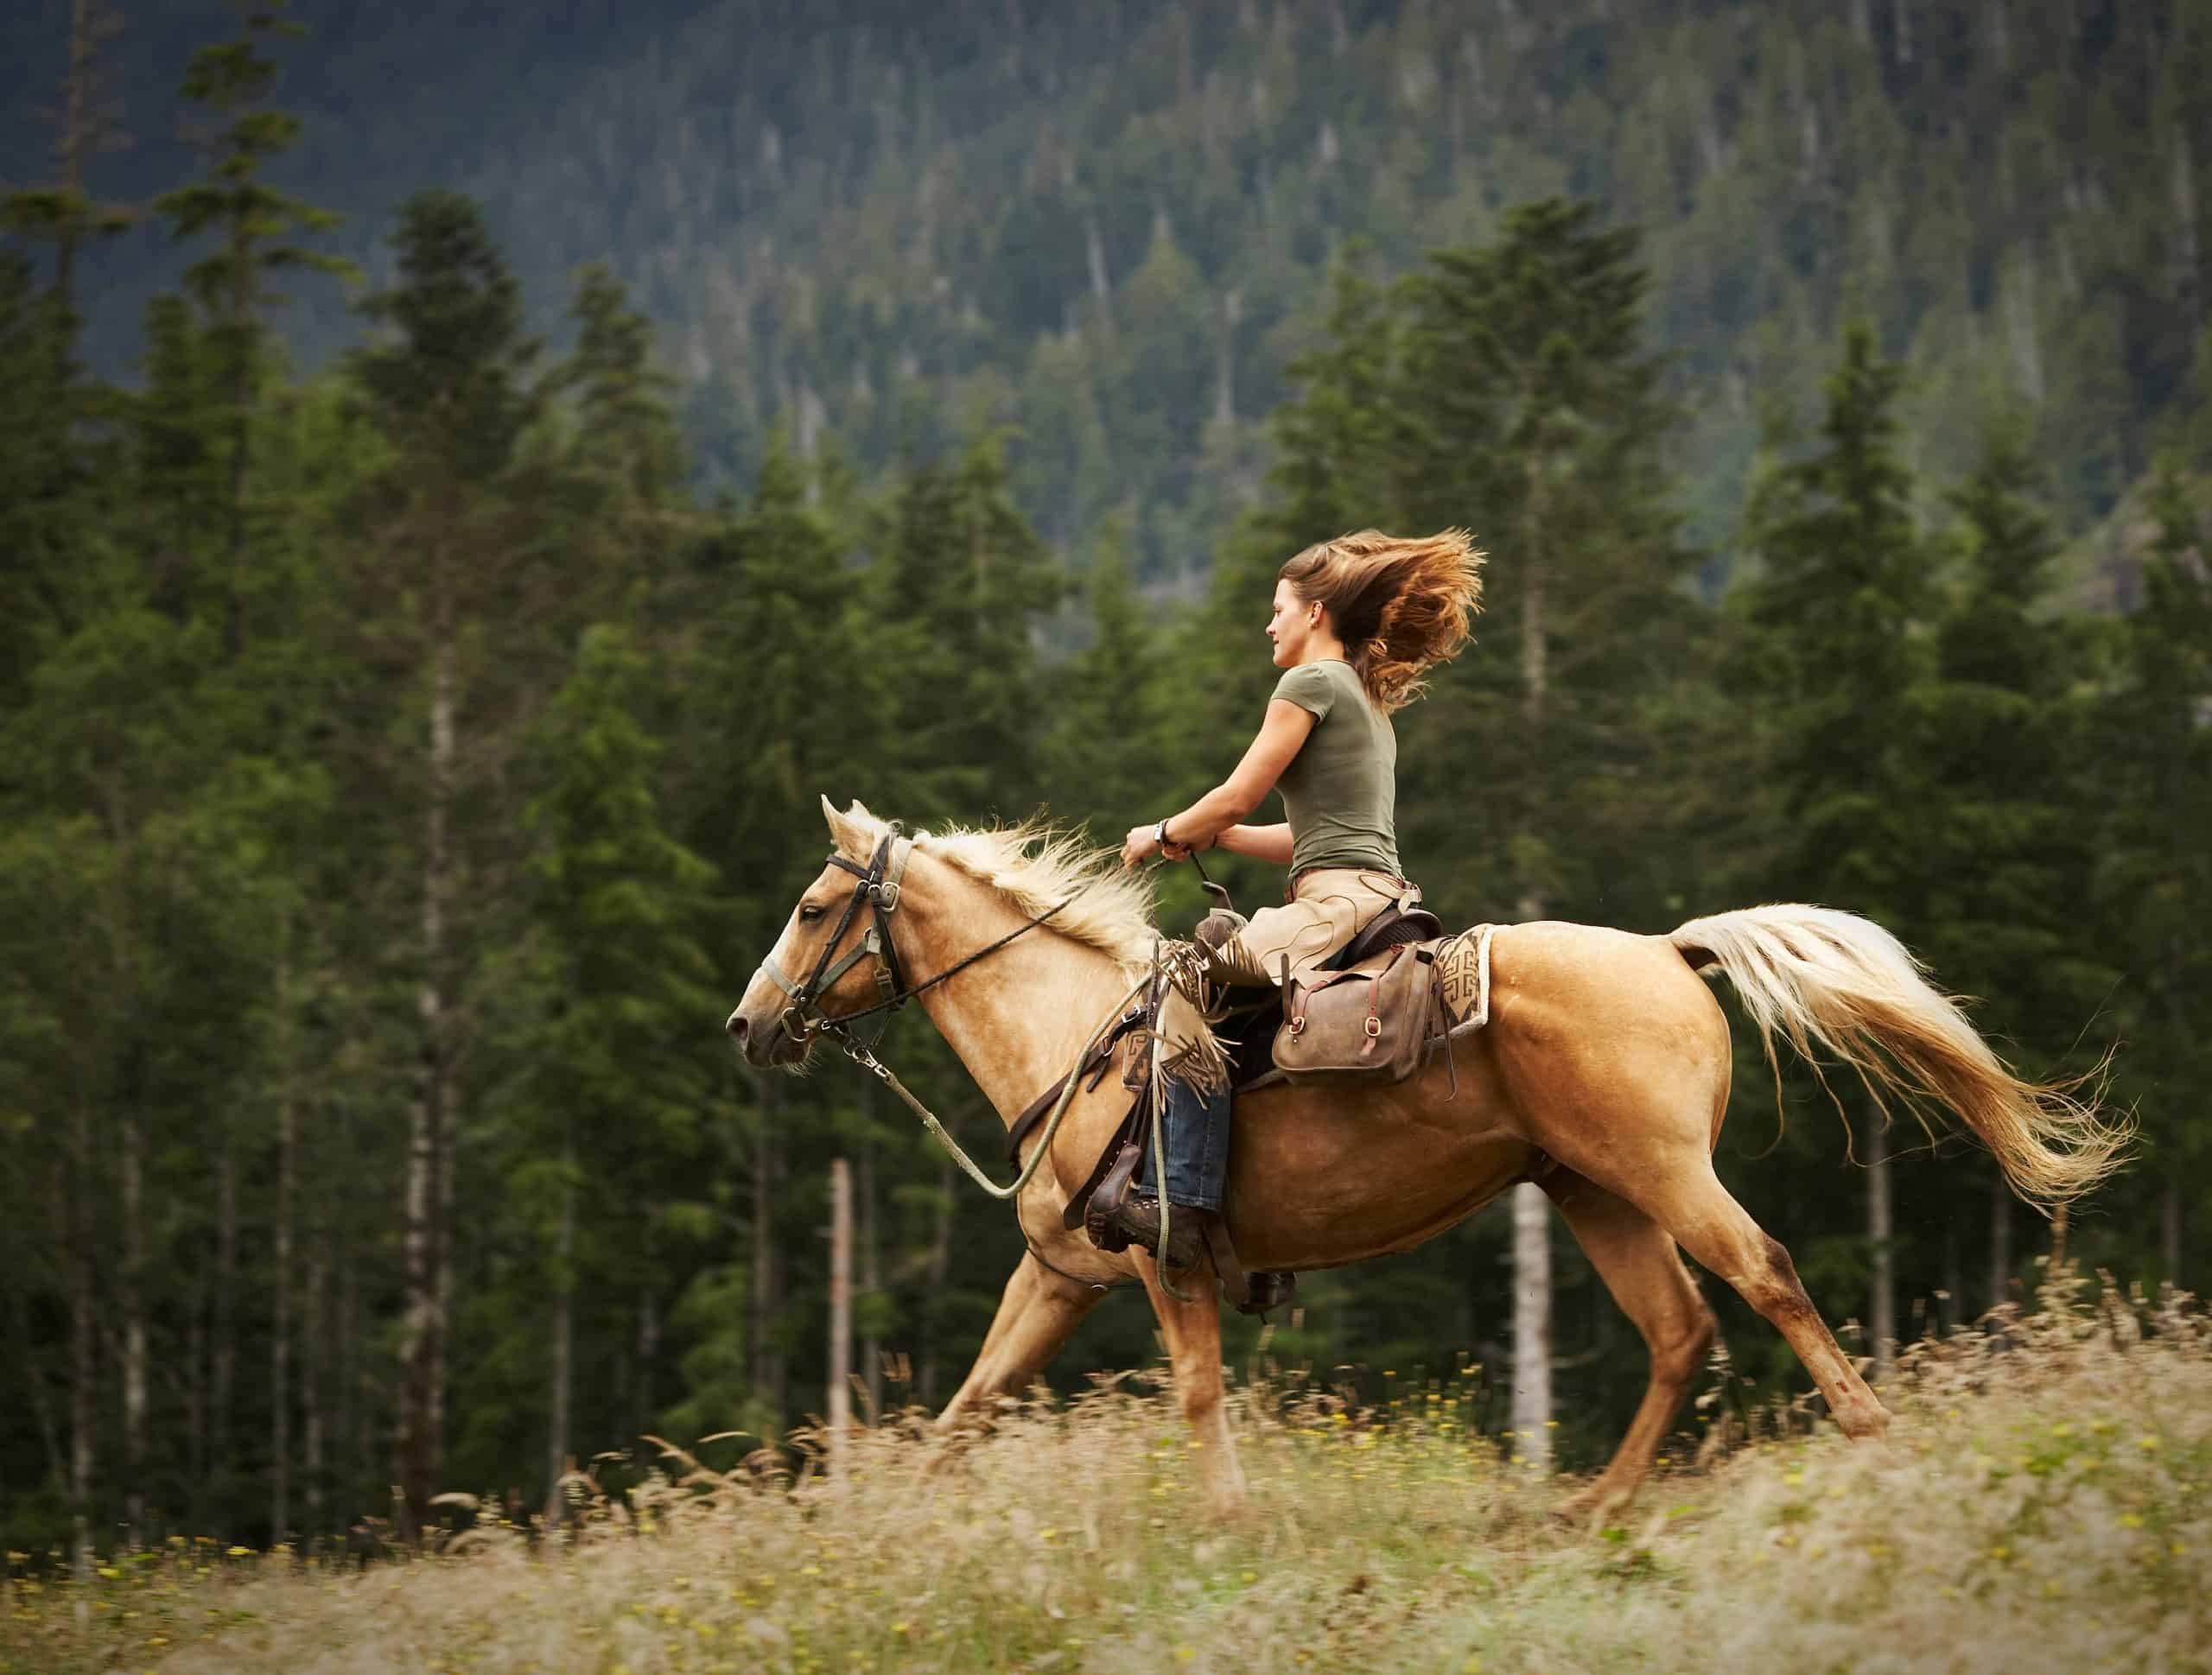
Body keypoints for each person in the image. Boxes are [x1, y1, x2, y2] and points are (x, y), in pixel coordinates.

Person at [1112, 529, 1484, 1265]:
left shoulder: (1308, 684)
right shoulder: (1367, 700)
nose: (1269, 623)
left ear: (1315, 613)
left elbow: (1236, 791)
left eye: (1279, 607)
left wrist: (1158, 833)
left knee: (1179, 981)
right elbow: (1309, 833)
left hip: (1334, 905)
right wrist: (1222, 837)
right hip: (1375, 894)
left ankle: (1180, 1196)